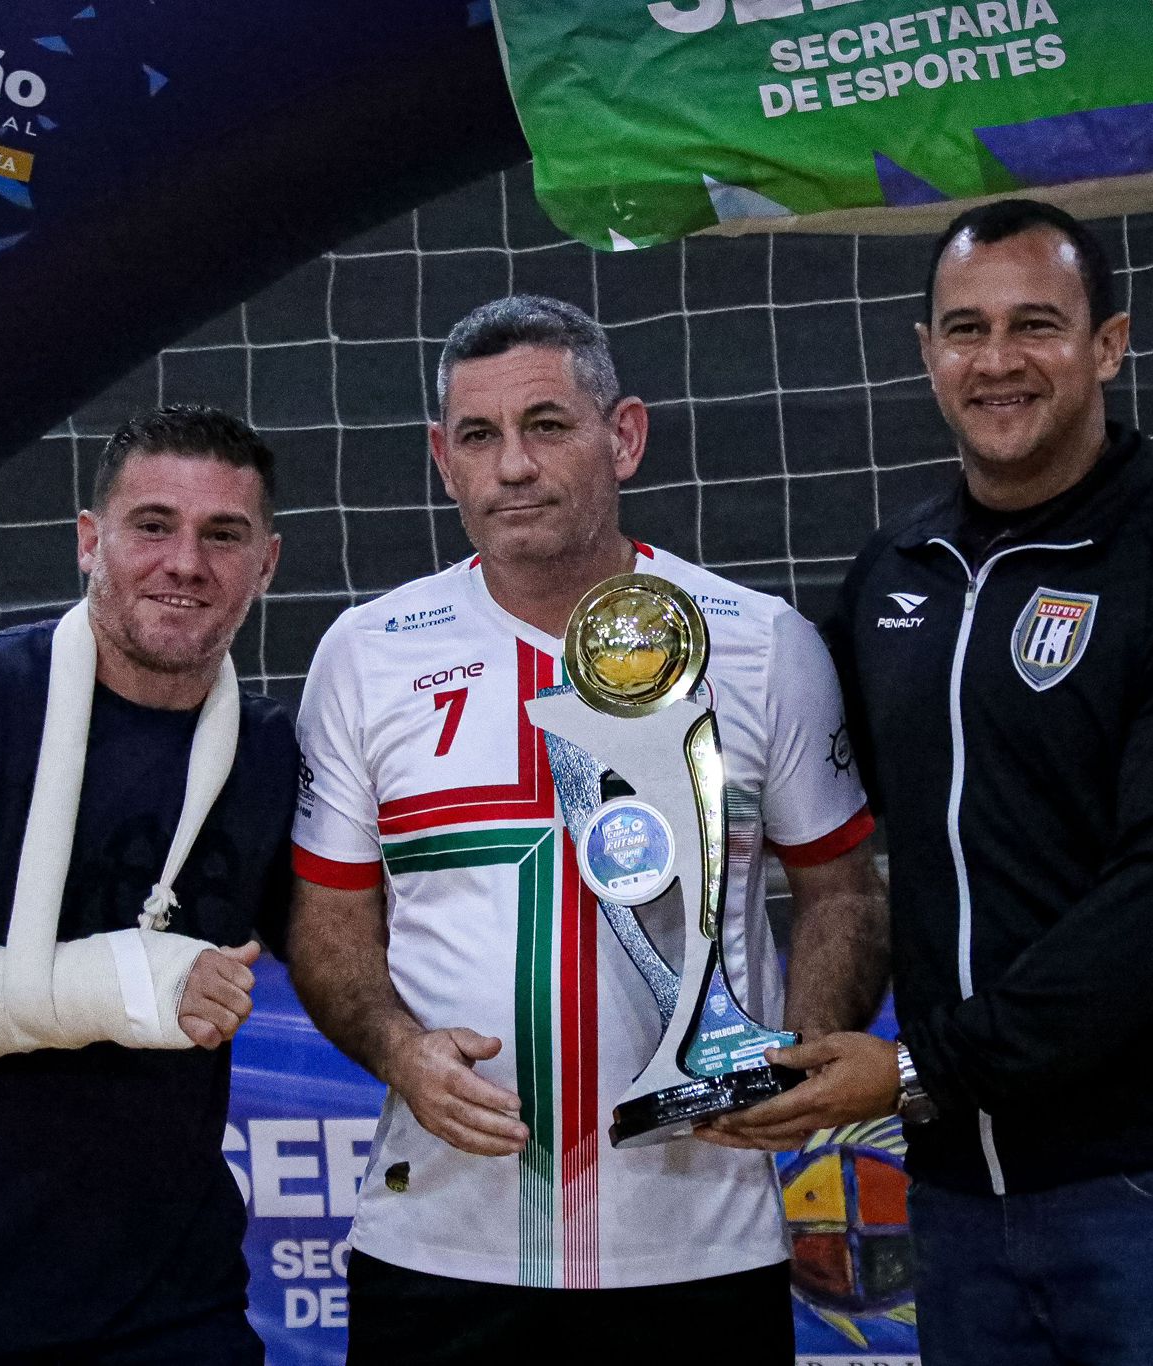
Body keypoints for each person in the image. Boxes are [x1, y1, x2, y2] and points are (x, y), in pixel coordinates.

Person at [708, 200, 1153, 1364]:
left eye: (1034, 324)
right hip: (960, 1198)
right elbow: (794, 798)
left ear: (1108, 344)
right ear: (925, 352)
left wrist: (915, 1067)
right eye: (965, 328)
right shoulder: (895, 572)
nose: (995, 360)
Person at [287, 295, 887, 1364]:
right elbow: (330, 923)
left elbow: (842, 890)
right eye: (479, 436)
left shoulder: (760, 643)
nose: (512, 466)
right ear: (442, 460)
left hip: (700, 1246)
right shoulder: (366, 652)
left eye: (547, 425)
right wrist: (398, 1050)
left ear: (626, 436)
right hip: (437, 1247)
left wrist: (796, 1059)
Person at [0, 405, 296, 1364]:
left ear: (266, 564)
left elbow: (346, 955)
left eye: (223, 534)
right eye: (152, 525)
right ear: (89, 541)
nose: (186, 562)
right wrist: (117, 981)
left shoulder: (271, 752)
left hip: (173, 1309)